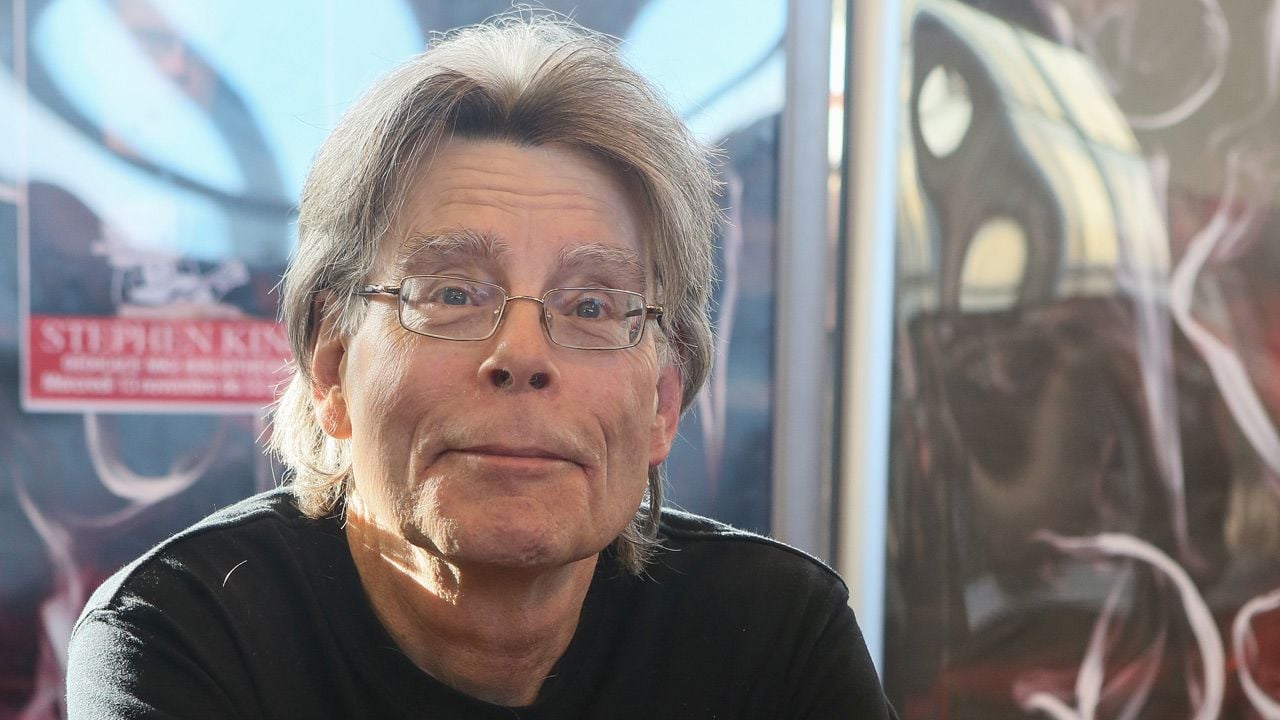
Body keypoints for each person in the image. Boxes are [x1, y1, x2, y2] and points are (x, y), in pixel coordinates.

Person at [65, 15, 896, 719]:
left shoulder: (775, 636)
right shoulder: (184, 639)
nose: (522, 355)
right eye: (453, 294)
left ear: (663, 404)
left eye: (592, 307)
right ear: (332, 368)